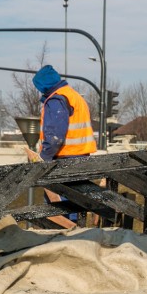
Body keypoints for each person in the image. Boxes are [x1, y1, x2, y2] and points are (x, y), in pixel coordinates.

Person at [31, 65, 97, 224]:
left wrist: (44, 156)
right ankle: (76, 233)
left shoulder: (56, 99)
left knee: (60, 205)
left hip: (64, 158)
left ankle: (64, 237)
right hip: (80, 156)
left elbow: (55, 136)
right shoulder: (73, 95)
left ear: (42, 86)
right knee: (75, 199)